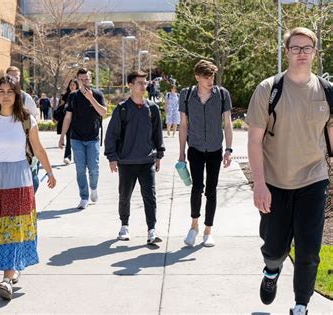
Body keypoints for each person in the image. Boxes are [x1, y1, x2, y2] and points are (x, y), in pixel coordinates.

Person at [246, 27, 331, 315]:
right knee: (274, 248)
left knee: (309, 251)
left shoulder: (327, 92)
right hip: (275, 182)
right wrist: (259, 184)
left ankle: (300, 305)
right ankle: (271, 271)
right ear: (287, 52)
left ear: (315, 52)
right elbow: (254, 140)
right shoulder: (269, 89)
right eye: (295, 48)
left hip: (313, 180)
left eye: (307, 48)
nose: (301, 53)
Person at [0, 75, 56, 300]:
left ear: (17, 95)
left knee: (14, 226)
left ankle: (7, 278)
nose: (5, 95)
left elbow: (37, 148)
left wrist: (50, 171)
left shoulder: (26, 119)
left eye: (10, 91)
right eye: (1, 91)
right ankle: (13, 266)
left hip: (19, 178)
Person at [104, 70, 165, 244]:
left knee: (150, 196)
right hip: (126, 161)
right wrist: (112, 157)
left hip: (147, 161)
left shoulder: (152, 108)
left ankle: (151, 230)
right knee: (124, 195)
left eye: (145, 83)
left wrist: (159, 154)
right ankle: (124, 226)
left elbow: (157, 134)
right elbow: (112, 135)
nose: (143, 86)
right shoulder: (122, 109)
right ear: (130, 85)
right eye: (139, 83)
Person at [178, 59, 233, 248]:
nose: (211, 81)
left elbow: (227, 123)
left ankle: (208, 230)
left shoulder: (222, 95)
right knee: (196, 188)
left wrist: (229, 149)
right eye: (206, 77)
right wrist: (181, 153)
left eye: (212, 77)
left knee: (211, 190)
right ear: (197, 77)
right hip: (195, 148)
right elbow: (183, 125)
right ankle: (194, 227)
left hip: (216, 149)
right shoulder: (186, 95)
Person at [58, 68, 107, 209]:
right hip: (76, 138)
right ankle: (84, 197)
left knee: (94, 168)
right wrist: (62, 137)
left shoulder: (97, 94)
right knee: (80, 169)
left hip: (93, 138)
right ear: (77, 80)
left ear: (90, 80)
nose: (85, 82)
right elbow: (67, 117)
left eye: (87, 79)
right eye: (82, 79)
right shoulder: (73, 96)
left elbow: (103, 112)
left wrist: (90, 98)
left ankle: (94, 188)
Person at [55, 79, 79, 165]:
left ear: (77, 85)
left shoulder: (80, 95)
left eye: (73, 84)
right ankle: (67, 157)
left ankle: (78, 157)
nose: (72, 86)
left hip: (77, 121)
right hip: (67, 120)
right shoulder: (65, 96)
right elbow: (61, 107)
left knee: (77, 140)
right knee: (69, 138)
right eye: (71, 85)